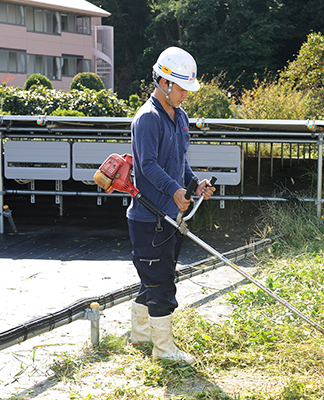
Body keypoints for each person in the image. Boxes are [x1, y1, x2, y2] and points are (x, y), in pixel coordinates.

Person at [126, 46, 215, 364]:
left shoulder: (180, 117)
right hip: (150, 217)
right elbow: (147, 165)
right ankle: (163, 350)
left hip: (170, 214)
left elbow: (179, 161)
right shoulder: (147, 119)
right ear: (164, 82)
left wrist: (193, 184)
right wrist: (174, 188)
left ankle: (140, 335)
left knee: (154, 278)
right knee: (161, 284)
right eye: (182, 89)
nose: (185, 96)